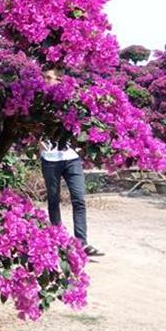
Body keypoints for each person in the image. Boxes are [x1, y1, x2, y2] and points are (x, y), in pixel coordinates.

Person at [40, 69, 104, 258]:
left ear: (59, 80)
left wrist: (83, 146)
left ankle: (81, 243)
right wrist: (37, 140)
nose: (45, 81)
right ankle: (57, 240)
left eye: (48, 78)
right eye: (44, 78)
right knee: (53, 200)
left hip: (71, 158)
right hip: (50, 160)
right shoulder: (40, 102)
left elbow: (85, 123)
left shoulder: (71, 101)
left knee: (79, 199)